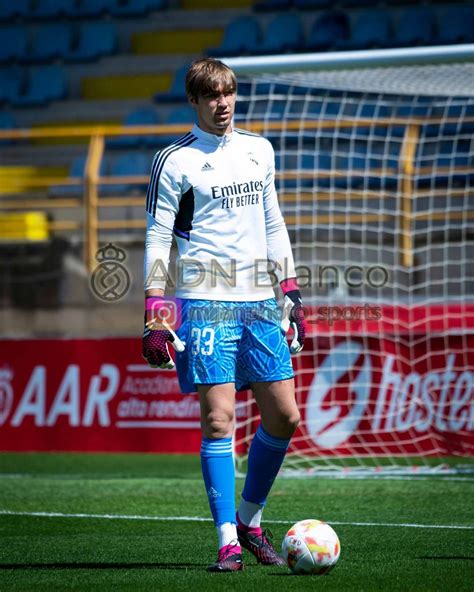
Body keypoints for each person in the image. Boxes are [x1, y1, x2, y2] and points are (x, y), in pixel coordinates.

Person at [142, 57, 305, 572]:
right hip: (206, 301)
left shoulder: (259, 150)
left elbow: (273, 222)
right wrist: (154, 312)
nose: (223, 104)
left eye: (229, 93)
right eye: (212, 96)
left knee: (285, 415)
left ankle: (251, 520)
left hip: (260, 301)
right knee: (219, 420)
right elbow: (158, 236)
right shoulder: (175, 160)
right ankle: (227, 541)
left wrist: (292, 293)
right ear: (194, 101)